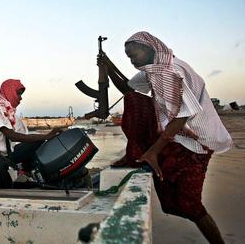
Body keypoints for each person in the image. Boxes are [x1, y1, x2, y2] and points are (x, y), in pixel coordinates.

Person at [97, 31, 232, 244]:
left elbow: (184, 115)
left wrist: (153, 151)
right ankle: (142, 156)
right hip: (177, 138)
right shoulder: (153, 70)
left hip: (198, 142)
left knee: (191, 206)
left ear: (150, 48)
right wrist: (108, 66)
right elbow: (128, 89)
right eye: (129, 58)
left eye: (135, 55)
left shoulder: (171, 71)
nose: (132, 61)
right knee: (170, 203)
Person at [0, 79, 61, 189]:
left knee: (37, 142)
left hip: (6, 155)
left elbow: (25, 137)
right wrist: (47, 135)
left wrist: (47, 136)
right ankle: (7, 191)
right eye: (19, 94)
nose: (21, 98)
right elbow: (11, 136)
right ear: (10, 92)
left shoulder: (12, 115)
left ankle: (29, 174)